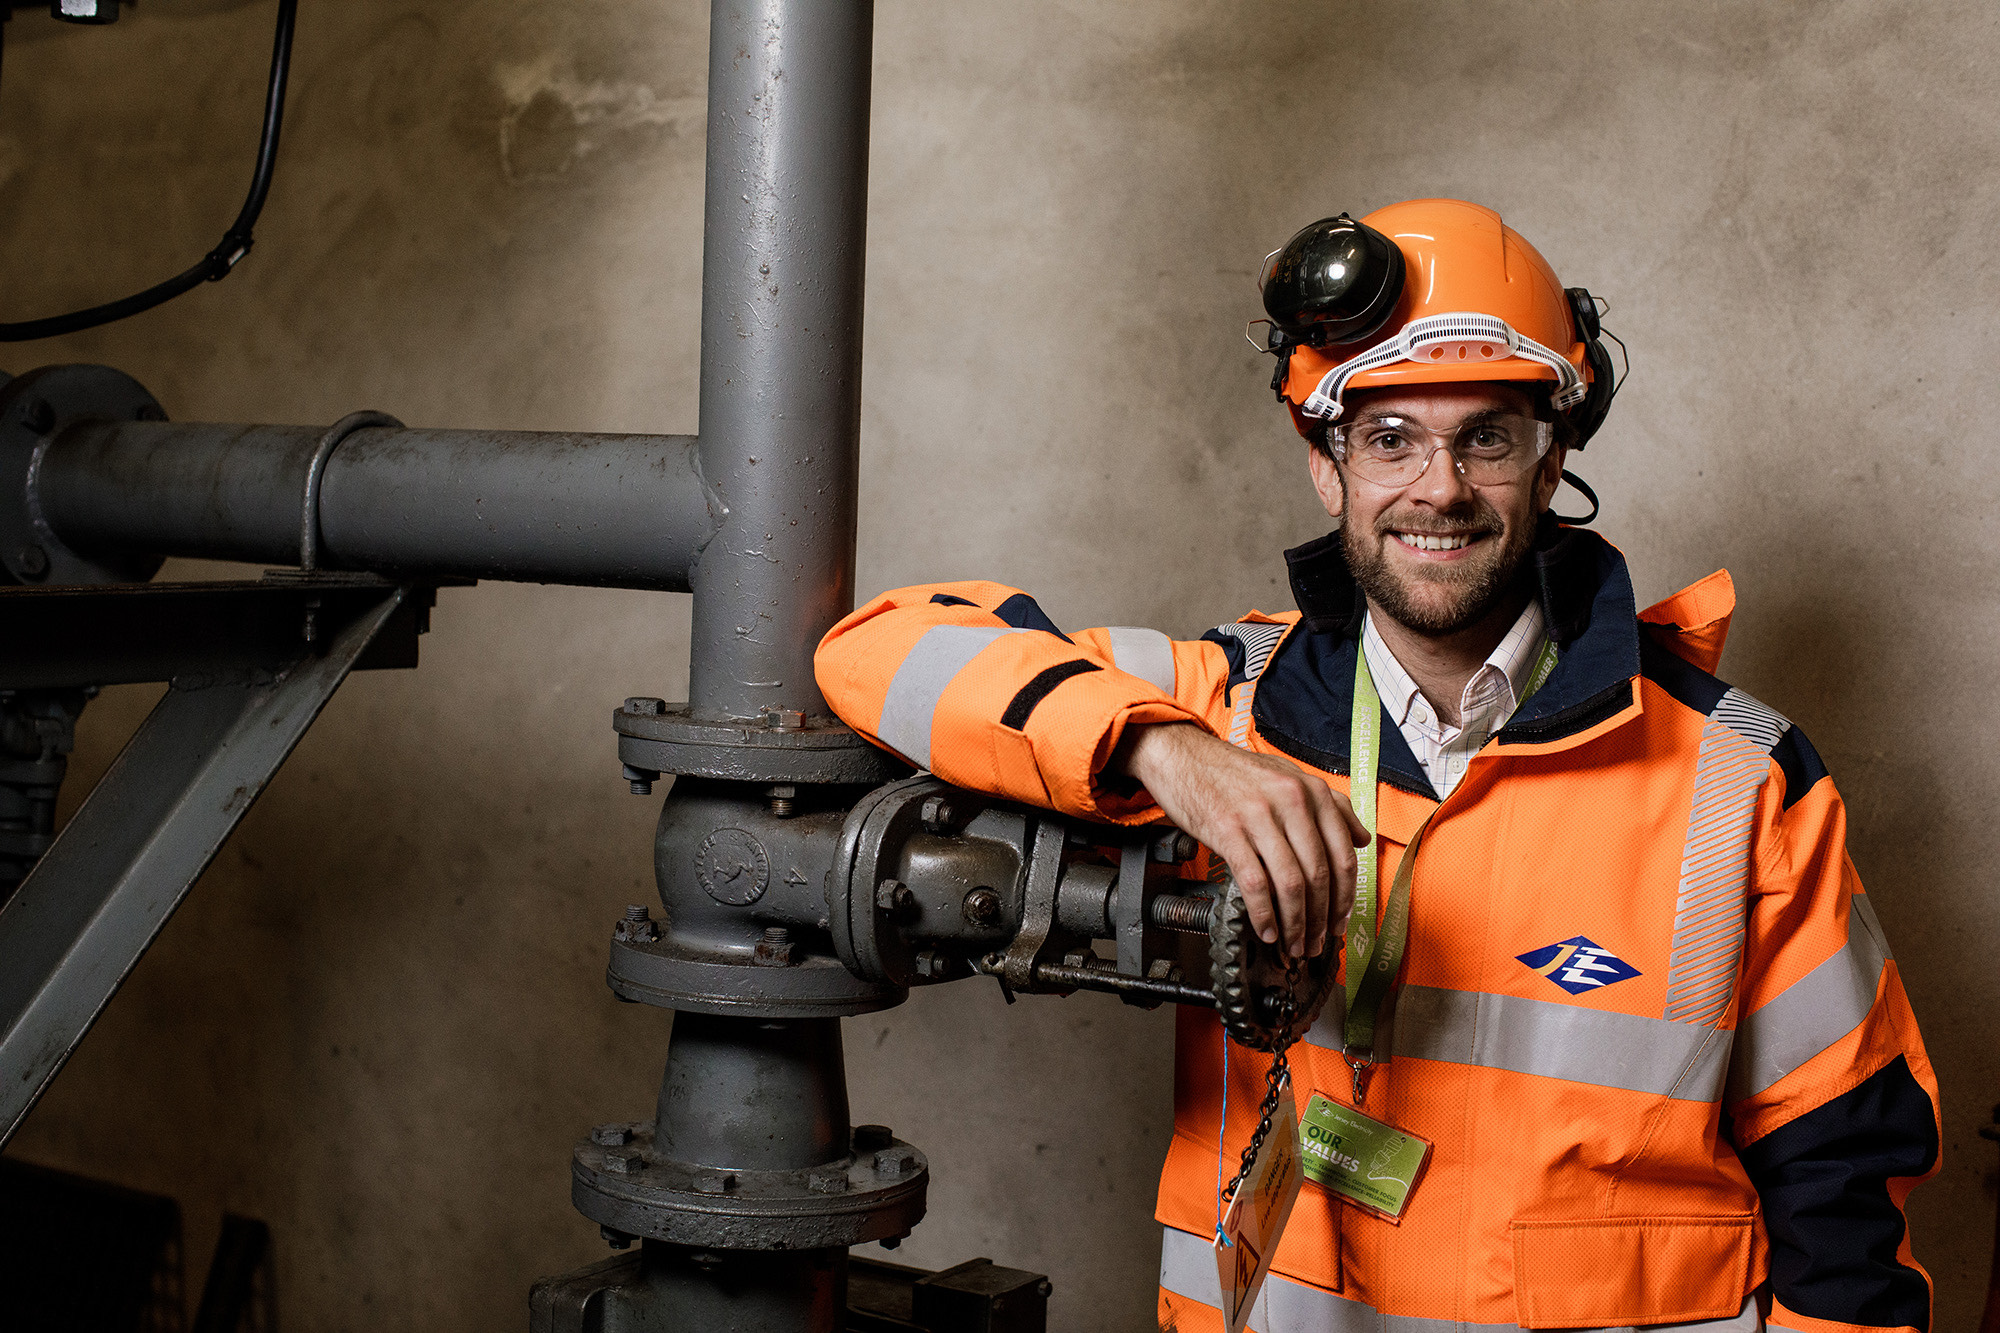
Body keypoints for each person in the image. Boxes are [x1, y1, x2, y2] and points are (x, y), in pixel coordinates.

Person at [815, 199, 1939, 1333]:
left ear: (1551, 459)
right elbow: (878, 647)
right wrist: (1165, 749)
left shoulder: (1737, 782)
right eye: (1389, 438)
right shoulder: (1218, 703)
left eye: (1485, 436)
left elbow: (1841, 1187)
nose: (1438, 488)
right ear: (1324, 463)